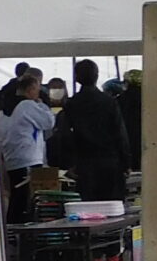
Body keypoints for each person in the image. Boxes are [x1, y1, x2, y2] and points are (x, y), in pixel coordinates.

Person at [48, 58, 132, 203]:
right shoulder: (109, 102)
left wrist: (68, 164)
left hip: (84, 165)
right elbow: (120, 133)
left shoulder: (72, 104)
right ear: (97, 75)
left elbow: (65, 135)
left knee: (89, 209)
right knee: (113, 208)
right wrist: (126, 162)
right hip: (111, 163)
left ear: (76, 77)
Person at [0, 72, 57, 223]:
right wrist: (42, 104)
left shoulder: (3, 111)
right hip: (29, 158)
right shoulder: (27, 105)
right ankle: (23, 231)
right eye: (36, 89)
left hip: (11, 159)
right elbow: (48, 122)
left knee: (16, 198)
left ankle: (11, 231)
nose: (38, 93)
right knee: (28, 200)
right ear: (30, 90)